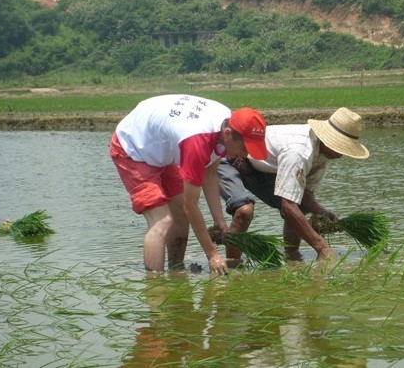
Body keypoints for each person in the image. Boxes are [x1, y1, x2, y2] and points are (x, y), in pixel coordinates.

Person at [109, 94, 268, 275]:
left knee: (180, 219)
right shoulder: (197, 140)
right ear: (228, 134)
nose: (245, 154)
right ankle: (157, 289)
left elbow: (210, 175)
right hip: (133, 148)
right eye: (245, 148)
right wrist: (212, 254)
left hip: (163, 149)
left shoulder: (228, 123)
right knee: (162, 222)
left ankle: (175, 273)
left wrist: (220, 221)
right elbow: (190, 206)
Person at [218, 107, 369, 262]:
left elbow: (305, 194)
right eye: (341, 147)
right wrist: (322, 248)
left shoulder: (324, 153)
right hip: (231, 157)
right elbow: (288, 208)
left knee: (301, 206)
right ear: (329, 140)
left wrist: (321, 212)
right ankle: (232, 266)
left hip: (259, 167)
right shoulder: (299, 152)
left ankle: (292, 258)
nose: (342, 154)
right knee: (244, 211)